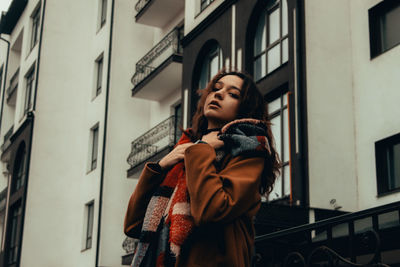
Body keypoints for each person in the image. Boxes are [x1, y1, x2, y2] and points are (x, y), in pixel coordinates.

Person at [124, 69, 280, 267]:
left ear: (245, 108)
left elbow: (212, 210)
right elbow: (133, 225)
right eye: (215, 88)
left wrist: (201, 151)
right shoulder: (186, 148)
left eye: (233, 94)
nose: (218, 94)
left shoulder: (248, 150)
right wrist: (160, 167)